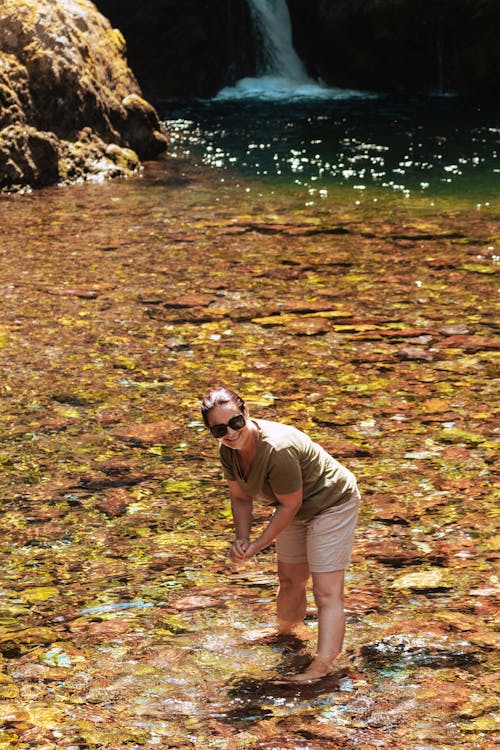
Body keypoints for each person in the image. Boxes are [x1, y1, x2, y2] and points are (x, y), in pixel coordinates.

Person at [200, 386, 360, 683]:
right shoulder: (228, 451)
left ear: (246, 413)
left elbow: (290, 505)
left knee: (326, 592)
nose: (231, 433)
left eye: (235, 422)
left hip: (331, 503)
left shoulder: (277, 448)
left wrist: (257, 546)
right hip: (295, 507)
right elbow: (240, 498)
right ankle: (285, 631)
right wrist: (242, 538)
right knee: (289, 579)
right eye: (219, 429)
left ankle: (324, 664)